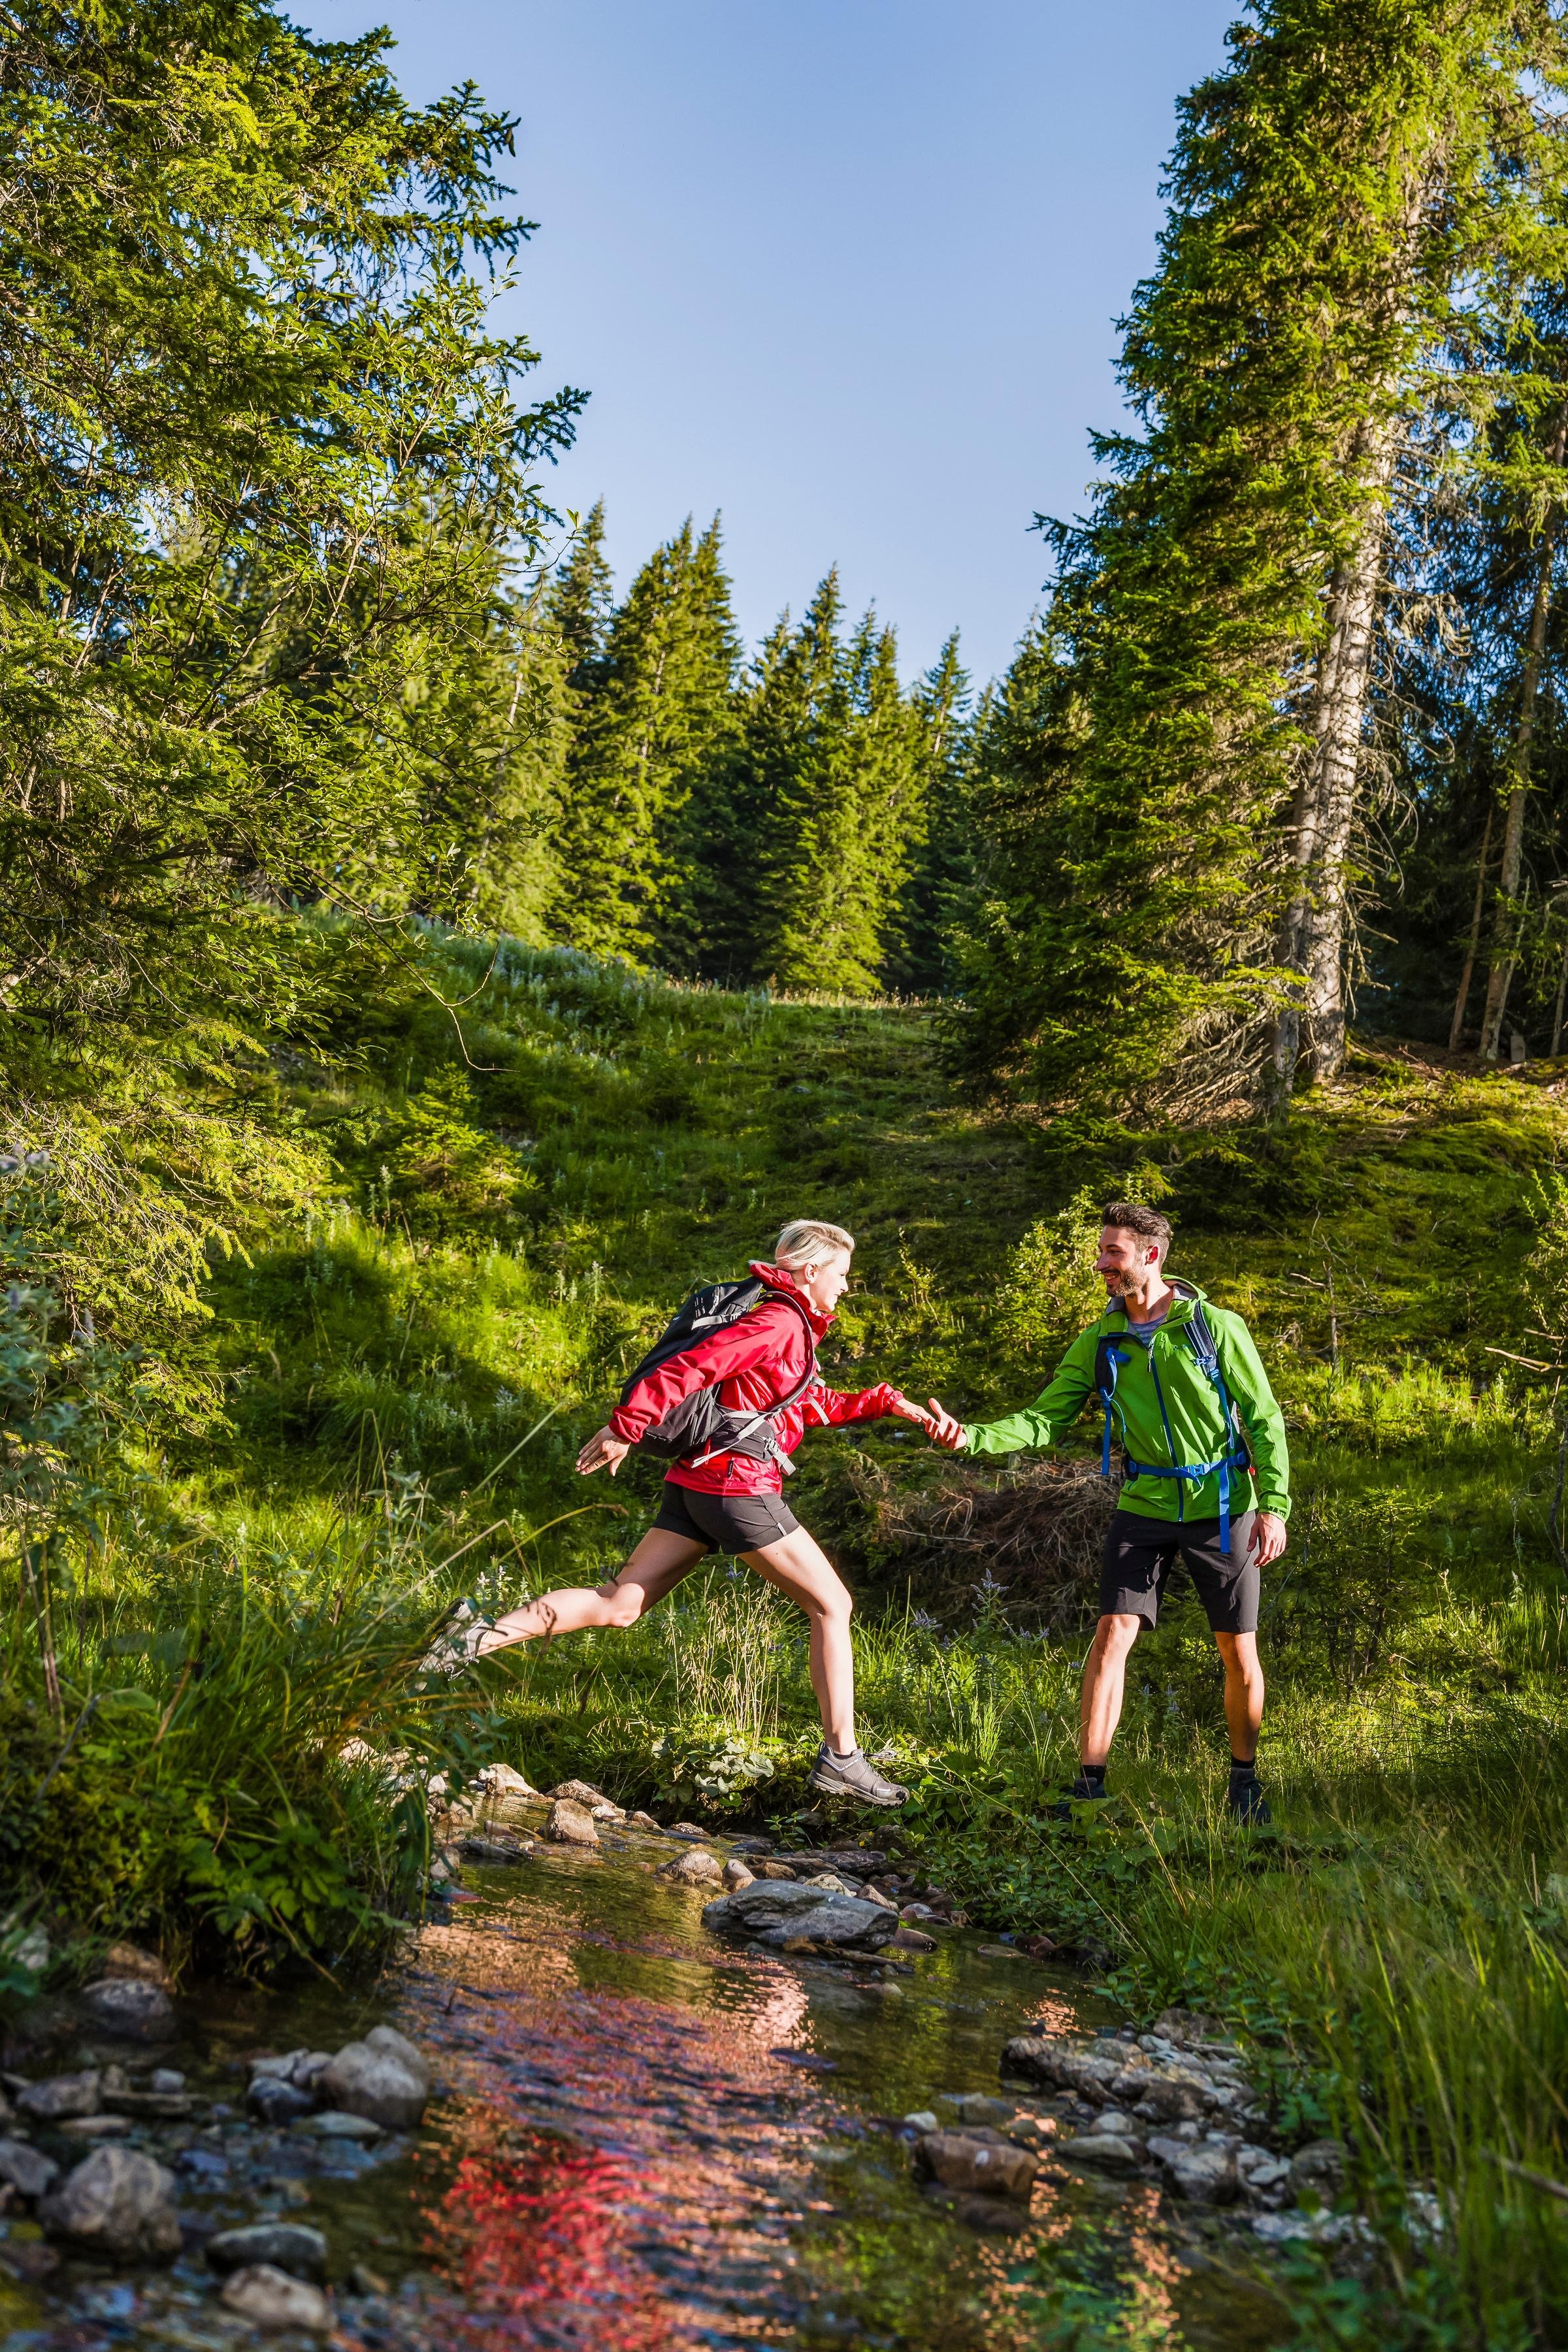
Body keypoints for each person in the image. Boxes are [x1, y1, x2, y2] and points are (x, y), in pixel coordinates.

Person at [435, 1220, 928, 1808]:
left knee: (618, 1604)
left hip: (699, 1482)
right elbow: (694, 1365)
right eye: (843, 1275)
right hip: (736, 1487)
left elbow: (802, 1405)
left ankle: (471, 1640)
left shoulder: (790, 1326)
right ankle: (842, 1757)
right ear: (811, 1270)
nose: (847, 1288)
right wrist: (627, 1425)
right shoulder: (778, 1321)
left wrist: (884, 1403)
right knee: (834, 1604)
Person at [923, 1201, 1290, 1822]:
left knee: (1237, 1648)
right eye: (1101, 1252)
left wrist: (1274, 1506)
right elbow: (1045, 1418)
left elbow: (1264, 1417)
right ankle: (1090, 1787)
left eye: (1112, 1253)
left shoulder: (1215, 1328)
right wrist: (973, 1438)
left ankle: (1244, 1783)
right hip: (1143, 1502)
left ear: (1152, 1255)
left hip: (1222, 1506)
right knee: (1111, 1635)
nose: (1101, 1265)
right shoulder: (1101, 1339)